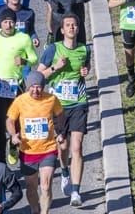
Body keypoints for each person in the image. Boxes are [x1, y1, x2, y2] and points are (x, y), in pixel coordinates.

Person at [37, 15, 92, 206]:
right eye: (68, 25)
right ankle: (65, 171)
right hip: (57, 106)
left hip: (78, 103)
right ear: (62, 30)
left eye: (74, 25)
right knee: (63, 146)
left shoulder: (84, 49)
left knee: (77, 146)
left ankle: (76, 192)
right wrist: (55, 67)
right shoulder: (53, 49)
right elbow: (38, 75)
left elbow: (86, 68)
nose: (71, 28)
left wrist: (86, 71)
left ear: (78, 29)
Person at [6, 72, 66, 214]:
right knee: (31, 186)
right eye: (32, 87)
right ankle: (34, 209)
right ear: (28, 87)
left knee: (45, 186)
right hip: (28, 151)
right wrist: (14, 135)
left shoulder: (51, 99)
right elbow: (10, 120)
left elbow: (61, 114)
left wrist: (61, 131)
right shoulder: (20, 101)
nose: (35, 90)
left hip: (48, 149)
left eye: (38, 87)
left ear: (43, 87)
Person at [0, 10, 39, 164]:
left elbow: (34, 59)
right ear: (0, 23)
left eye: (11, 22)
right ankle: (1, 161)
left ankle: (14, 147)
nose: (8, 25)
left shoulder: (23, 38)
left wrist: (24, 61)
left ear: (15, 23)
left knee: (16, 122)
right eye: (5, 22)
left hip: (16, 85)